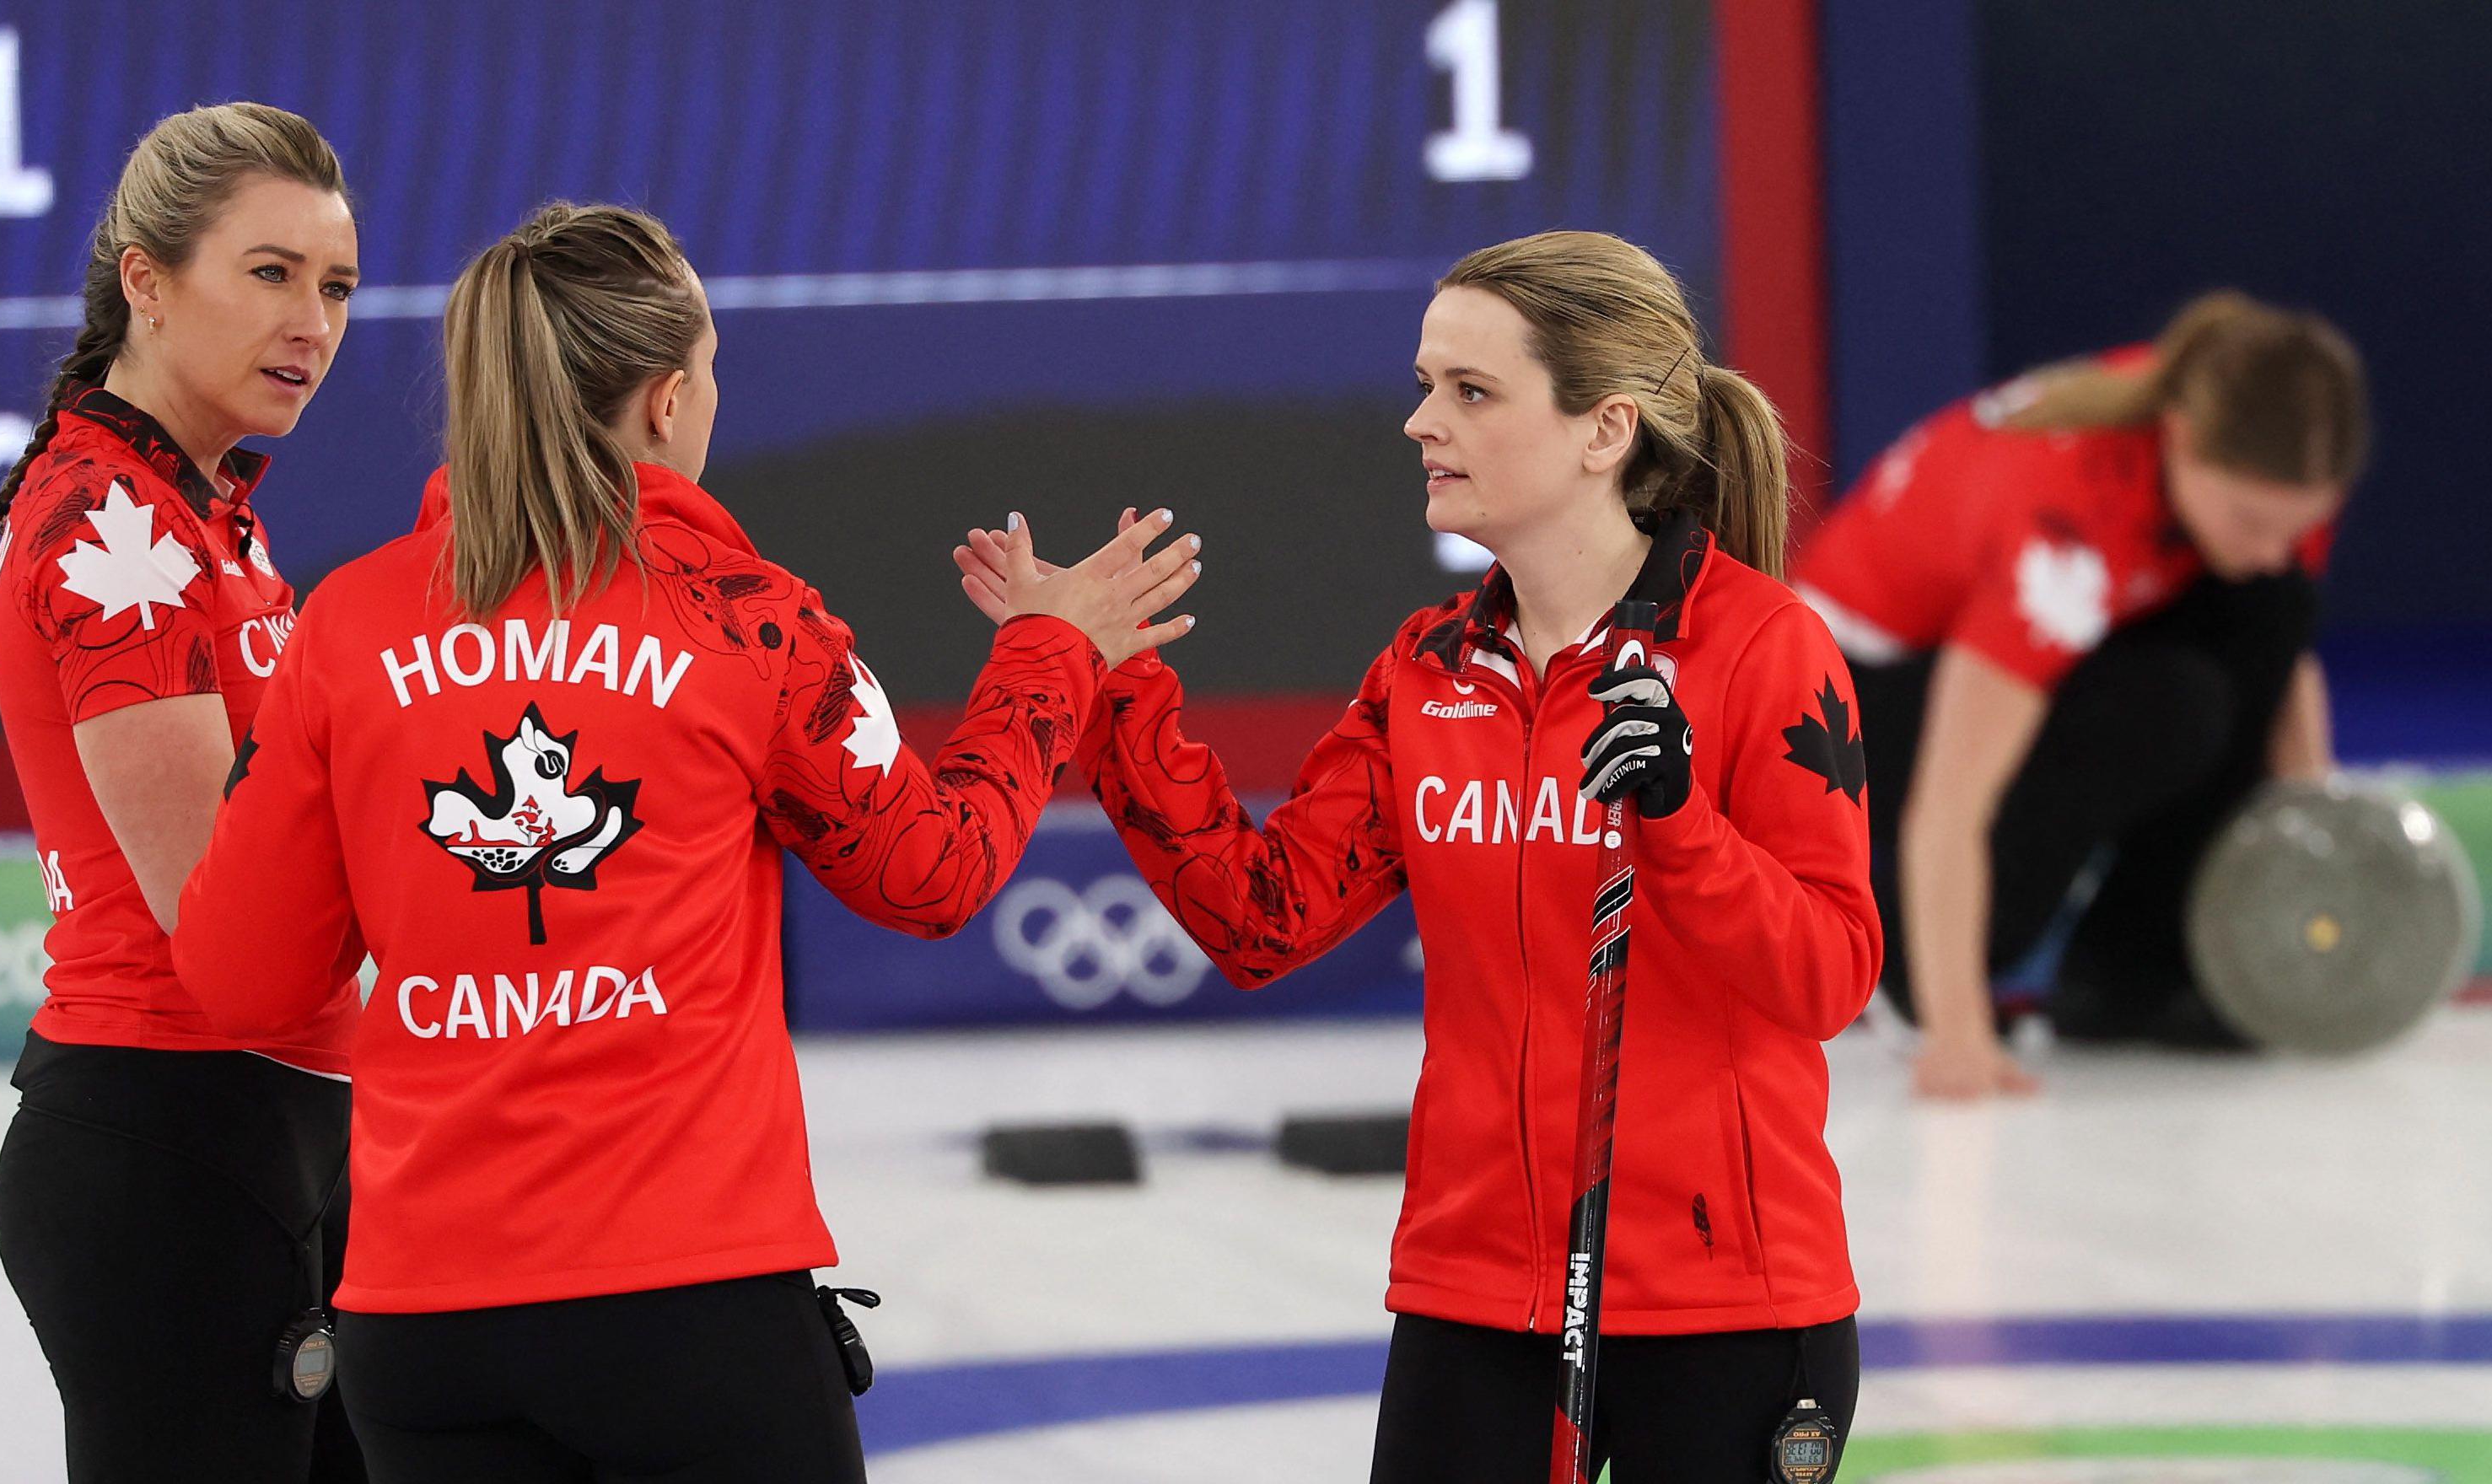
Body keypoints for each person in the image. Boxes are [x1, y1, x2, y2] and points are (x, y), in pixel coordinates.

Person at [167, 202, 1201, 1484]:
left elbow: (242, 980)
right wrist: (1052, 655)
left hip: (420, 1320)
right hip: (691, 1307)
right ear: (665, 402)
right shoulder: (748, 623)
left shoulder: (348, 626)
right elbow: (932, 875)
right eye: (710, 370)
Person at [957, 230, 1879, 1481]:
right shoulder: (1427, 668)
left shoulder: (1762, 650)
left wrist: (1678, 824)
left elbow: (1831, 976)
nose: (1420, 422)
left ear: (1604, 430)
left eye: (1471, 391)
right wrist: (1116, 696)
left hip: (1723, 1305)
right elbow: (1260, 917)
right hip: (1476, 1293)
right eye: (1424, 383)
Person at [0, 104, 366, 1481]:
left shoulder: (197, 508)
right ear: (148, 283)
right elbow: (220, 924)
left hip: (264, 1132)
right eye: (270, 273)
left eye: (337, 285)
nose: (313, 322)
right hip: (172, 1146)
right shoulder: (113, 527)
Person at [1792, 292, 2366, 1099]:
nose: (2275, 547)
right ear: (2183, 442)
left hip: (1973, 648)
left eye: (2298, 526)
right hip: (1829, 711)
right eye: (2250, 522)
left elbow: (2282, 666)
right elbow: (1950, 804)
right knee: (2165, 705)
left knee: (2270, 605)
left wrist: (2313, 864)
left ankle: (2139, 973)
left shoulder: (2259, 461)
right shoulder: (2065, 533)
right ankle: (1906, 962)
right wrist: (1954, 1028)